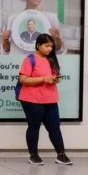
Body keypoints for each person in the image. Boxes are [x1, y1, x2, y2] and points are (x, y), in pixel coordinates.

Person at [17, 33, 72, 166]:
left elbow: (53, 76)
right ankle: (34, 155)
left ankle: (61, 155)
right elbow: (23, 79)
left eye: (51, 46)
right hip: (32, 99)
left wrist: (55, 79)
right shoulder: (30, 59)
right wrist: (43, 79)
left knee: (55, 127)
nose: (49, 49)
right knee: (34, 127)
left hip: (50, 99)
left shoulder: (52, 60)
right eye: (46, 46)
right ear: (38, 45)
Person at [2, 0, 66, 55]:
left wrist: (57, 38)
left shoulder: (52, 18)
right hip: (20, 63)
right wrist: (5, 40)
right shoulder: (13, 19)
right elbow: (7, 51)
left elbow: (59, 50)